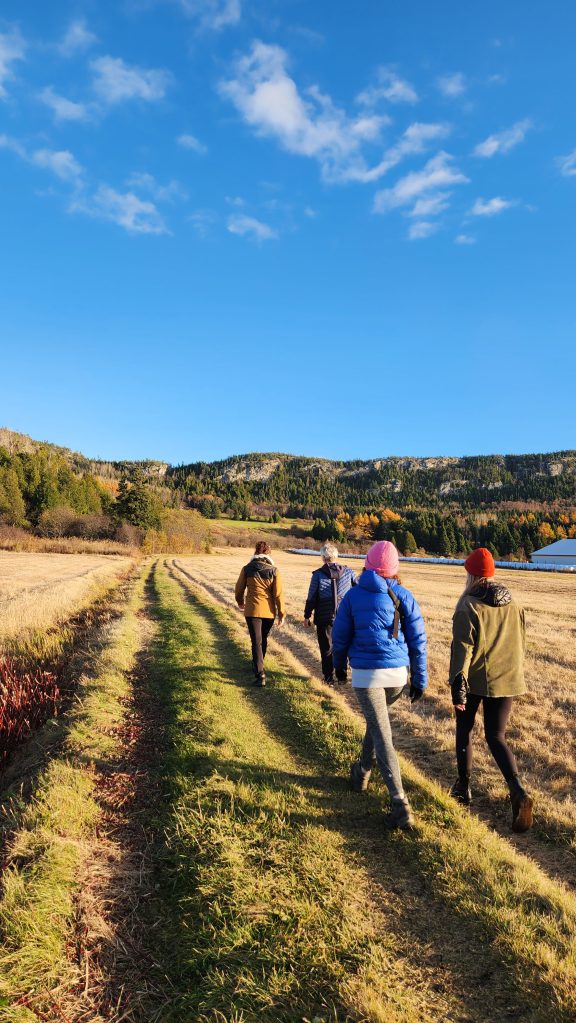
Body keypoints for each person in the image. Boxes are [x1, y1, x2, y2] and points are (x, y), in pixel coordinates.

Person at [332, 540, 427, 830]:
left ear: (367, 565)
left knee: (382, 734)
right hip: (398, 676)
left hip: (366, 676)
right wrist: (419, 678)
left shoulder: (352, 597)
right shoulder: (403, 595)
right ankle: (361, 772)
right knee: (378, 724)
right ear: (394, 569)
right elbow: (418, 641)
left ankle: (400, 804)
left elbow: (339, 636)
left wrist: (338, 667)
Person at [448, 547, 533, 832]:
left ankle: (463, 788)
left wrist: (458, 686)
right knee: (497, 737)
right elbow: (520, 643)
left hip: (475, 681)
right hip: (507, 679)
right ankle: (517, 790)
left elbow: (462, 650)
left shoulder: (468, 605)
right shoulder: (515, 604)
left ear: (470, 575)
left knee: (465, 729)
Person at [303, 542, 357, 685]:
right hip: (345, 616)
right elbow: (358, 591)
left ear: (323, 557)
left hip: (324, 616)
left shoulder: (318, 575)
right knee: (342, 645)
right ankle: (342, 676)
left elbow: (312, 597)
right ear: (336, 556)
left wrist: (307, 615)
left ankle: (328, 678)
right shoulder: (349, 572)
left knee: (326, 647)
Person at [235, 541, 285, 687]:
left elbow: (239, 590)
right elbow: (278, 595)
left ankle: (259, 672)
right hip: (269, 612)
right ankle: (259, 665)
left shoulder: (247, 569)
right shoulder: (274, 571)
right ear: (268, 554)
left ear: (255, 553)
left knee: (256, 640)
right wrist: (282, 614)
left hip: (252, 610)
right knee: (262, 639)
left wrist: (240, 602)